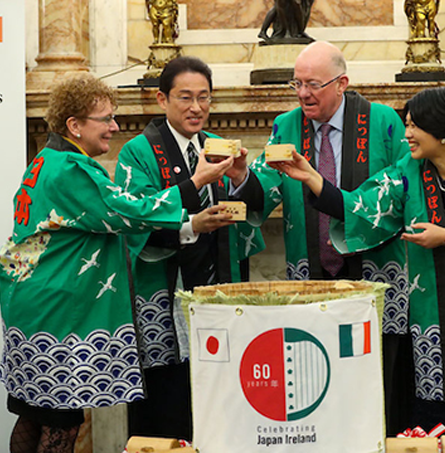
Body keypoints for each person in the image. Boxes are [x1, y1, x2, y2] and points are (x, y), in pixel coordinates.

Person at [271, 86, 445, 453]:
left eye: (414, 126)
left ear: (444, 133)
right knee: (441, 434)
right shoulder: (406, 173)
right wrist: (310, 177)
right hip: (436, 325)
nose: (406, 135)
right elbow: (362, 207)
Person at [0, 73, 234, 453]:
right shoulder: (71, 170)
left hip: (30, 303)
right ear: (74, 125)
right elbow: (129, 212)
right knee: (61, 426)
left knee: (33, 416)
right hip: (57, 314)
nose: (114, 127)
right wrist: (196, 182)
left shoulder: (46, 159)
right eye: (104, 119)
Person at [229, 41, 413, 434]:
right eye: (296, 84)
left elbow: (399, 191)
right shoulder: (286, 124)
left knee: (378, 384)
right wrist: (241, 176)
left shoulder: (383, 122)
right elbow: (267, 187)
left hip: (373, 270)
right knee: (318, 378)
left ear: (342, 82)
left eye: (312, 84)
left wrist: (323, 188)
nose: (303, 94)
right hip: (311, 268)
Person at [115, 56, 263, 440]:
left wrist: (241, 175)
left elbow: (256, 204)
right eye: (185, 97)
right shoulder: (138, 151)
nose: (196, 107)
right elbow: (136, 217)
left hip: (216, 289)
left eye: (204, 97)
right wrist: (191, 221)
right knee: (168, 401)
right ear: (162, 100)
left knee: (221, 400)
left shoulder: (216, 146)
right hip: (164, 291)